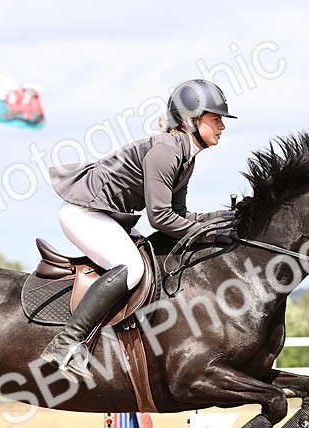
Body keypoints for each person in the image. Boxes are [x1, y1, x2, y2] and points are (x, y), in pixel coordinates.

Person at [42, 78, 238, 381]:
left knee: (150, 265)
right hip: (84, 213)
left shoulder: (185, 157)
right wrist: (213, 234)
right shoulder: (166, 151)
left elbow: (181, 215)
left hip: (107, 217)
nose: (222, 125)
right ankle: (66, 342)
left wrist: (225, 217)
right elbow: (160, 218)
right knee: (131, 268)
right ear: (191, 121)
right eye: (216, 119)